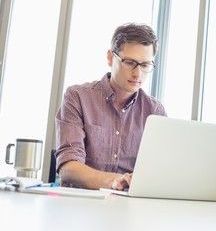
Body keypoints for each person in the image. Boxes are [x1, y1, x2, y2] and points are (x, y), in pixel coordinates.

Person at [55, 22, 167, 191]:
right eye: (130, 62)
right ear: (110, 57)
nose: (138, 74)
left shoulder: (155, 112)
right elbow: (68, 168)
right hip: (79, 207)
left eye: (145, 65)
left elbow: (161, 170)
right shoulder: (77, 97)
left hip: (130, 210)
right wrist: (115, 181)